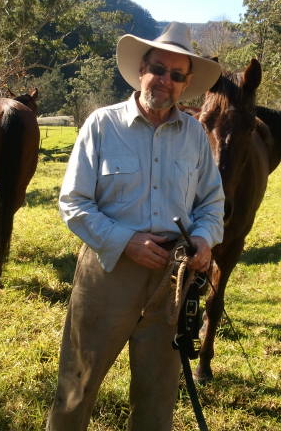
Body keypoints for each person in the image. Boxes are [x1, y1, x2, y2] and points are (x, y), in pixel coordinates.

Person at [47, 22, 225, 430]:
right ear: (141, 70)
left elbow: (212, 203)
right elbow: (74, 202)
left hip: (172, 279)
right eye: (158, 69)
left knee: (157, 395)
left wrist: (203, 239)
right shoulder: (102, 125)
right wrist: (126, 241)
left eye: (176, 75)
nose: (165, 80)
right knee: (77, 385)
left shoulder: (195, 135)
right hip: (108, 272)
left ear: (186, 84)